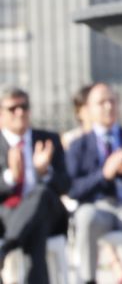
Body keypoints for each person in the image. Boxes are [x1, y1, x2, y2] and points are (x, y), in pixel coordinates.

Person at [67, 83, 122, 284]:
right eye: (101, 102)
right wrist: (104, 174)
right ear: (88, 109)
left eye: (112, 101)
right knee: (84, 218)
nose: (108, 106)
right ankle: (88, 280)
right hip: (98, 207)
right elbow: (73, 189)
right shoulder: (78, 145)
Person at [0, 86, 70, 284]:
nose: (20, 112)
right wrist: (11, 177)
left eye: (24, 106)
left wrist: (45, 172)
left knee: (40, 193)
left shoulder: (48, 140)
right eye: (13, 108)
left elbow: (66, 185)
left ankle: (6, 248)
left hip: (50, 212)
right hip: (7, 214)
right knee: (35, 229)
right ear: (1, 114)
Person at [62, 85, 122, 284]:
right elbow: (72, 184)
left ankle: (118, 262)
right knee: (88, 217)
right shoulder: (76, 140)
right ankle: (113, 261)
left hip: (113, 201)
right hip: (83, 200)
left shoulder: (112, 136)